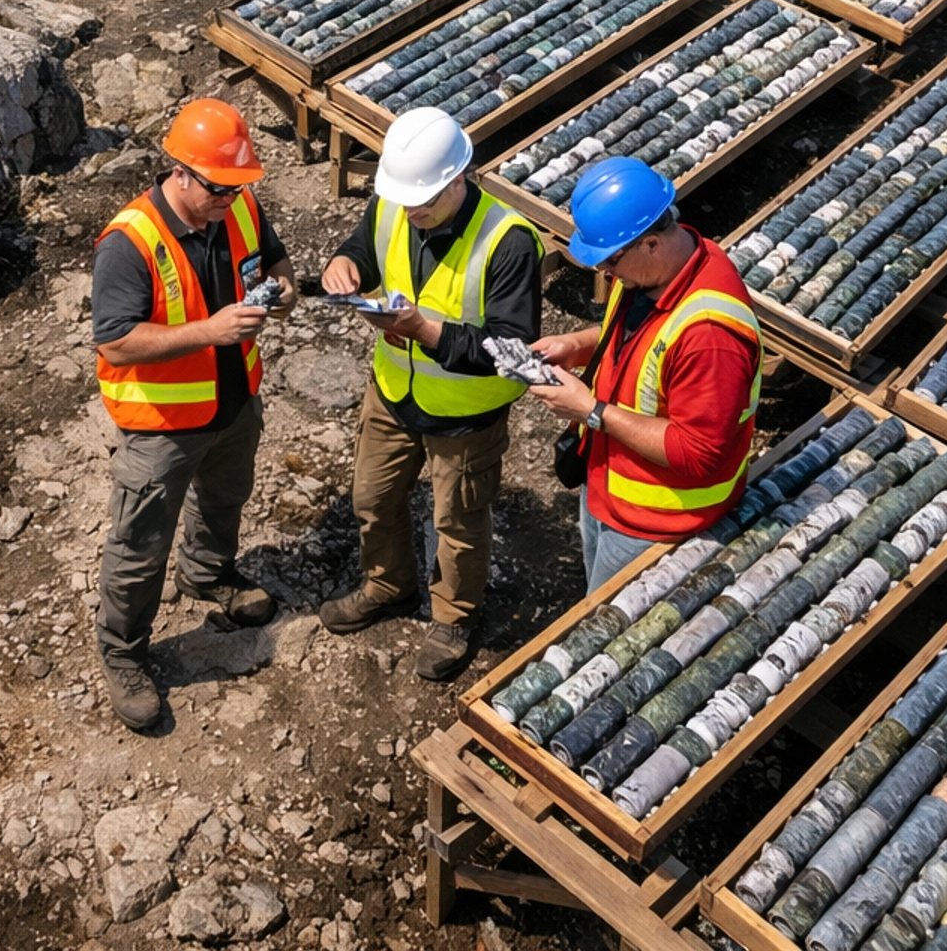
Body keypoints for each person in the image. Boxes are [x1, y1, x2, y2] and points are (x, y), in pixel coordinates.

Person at [318, 106, 544, 681]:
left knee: (459, 525)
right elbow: (364, 247)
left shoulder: (509, 242)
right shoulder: (395, 201)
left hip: (466, 419)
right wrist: (345, 263)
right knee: (371, 500)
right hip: (393, 394)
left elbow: (512, 353)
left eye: (426, 201)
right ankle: (387, 585)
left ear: (459, 177)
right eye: (406, 200)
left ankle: (454, 618)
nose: (413, 212)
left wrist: (428, 332)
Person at [92, 96, 296, 732]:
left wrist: (283, 288)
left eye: (237, 189)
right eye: (217, 189)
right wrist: (209, 331)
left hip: (233, 404)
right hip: (161, 427)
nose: (229, 201)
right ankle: (124, 654)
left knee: (224, 499)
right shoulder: (130, 242)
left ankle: (208, 575)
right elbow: (116, 340)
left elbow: (276, 257)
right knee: (139, 544)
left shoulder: (237, 205)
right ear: (178, 171)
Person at [523, 157, 763, 594]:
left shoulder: (710, 336)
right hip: (609, 485)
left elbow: (699, 452)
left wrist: (590, 410)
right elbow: (641, 339)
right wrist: (578, 344)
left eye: (610, 260)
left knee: (605, 627)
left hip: (655, 521)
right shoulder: (650, 272)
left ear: (650, 243)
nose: (605, 272)